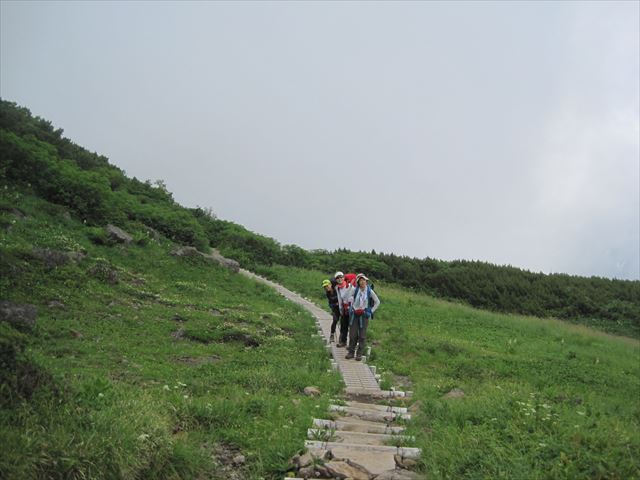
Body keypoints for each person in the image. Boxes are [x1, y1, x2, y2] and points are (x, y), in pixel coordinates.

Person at [346, 273, 380, 361]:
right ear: (358, 282)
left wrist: (370, 312)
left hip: (364, 315)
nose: (362, 282)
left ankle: (359, 354)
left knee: (362, 336)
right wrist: (350, 286)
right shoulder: (355, 290)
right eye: (360, 280)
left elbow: (377, 302)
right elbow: (346, 297)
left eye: (364, 280)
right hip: (354, 314)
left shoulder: (369, 291)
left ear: (366, 281)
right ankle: (351, 352)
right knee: (353, 334)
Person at [335, 271, 354, 347]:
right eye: (337, 278)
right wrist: (340, 309)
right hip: (344, 309)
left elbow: (355, 296)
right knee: (343, 326)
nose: (339, 279)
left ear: (343, 278)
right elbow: (340, 299)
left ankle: (352, 344)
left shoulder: (350, 286)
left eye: (341, 277)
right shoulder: (338, 288)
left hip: (352, 309)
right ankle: (343, 342)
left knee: (352, 327)